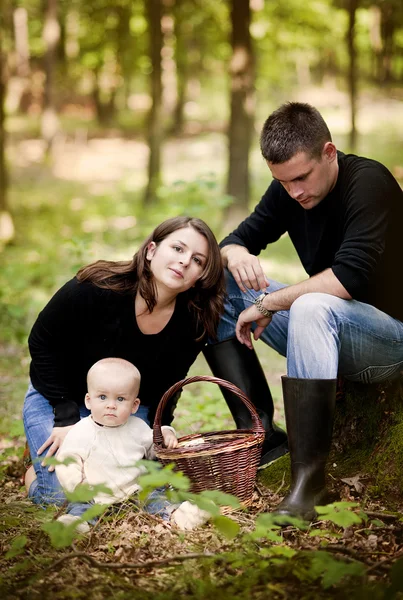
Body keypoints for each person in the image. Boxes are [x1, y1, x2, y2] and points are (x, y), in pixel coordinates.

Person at [204, 102, 403, 521]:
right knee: (216, 286)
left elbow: (346, 280)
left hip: (390, 339)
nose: (294, 192)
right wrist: (235, 253)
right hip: (332, 323)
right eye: (283, 182)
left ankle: (308, 485)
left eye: (301, 178)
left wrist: (267, 303)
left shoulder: (369, 183)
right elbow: (237, 238)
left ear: (328, 153)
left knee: (313, 304)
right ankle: (261, 436)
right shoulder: (289, 189)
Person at [23, 216, 225, 507]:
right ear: (151, 250)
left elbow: (170, 383)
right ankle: (35, 474)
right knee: (63, 497)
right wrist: (66, 416)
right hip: (58, 397)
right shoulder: (96, 288)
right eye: (177, 249)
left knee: (129, 494)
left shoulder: (193, 322)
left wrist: (156, 436)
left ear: (201, 275)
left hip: (125, 406)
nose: (183, 262)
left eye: (197, 260)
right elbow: (42, 341)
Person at [55, 357, 209, 533]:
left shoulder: (137, 427)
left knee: (155, 499)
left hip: (135, 492)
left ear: (134, 405)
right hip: (95, 494)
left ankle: (179, 515)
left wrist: (166, 433)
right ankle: (76, 524)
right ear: (89, 401)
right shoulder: (80, 431)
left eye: (120, 399)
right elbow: (67, 460)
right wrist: (77, 484)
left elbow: (155, 449)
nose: (111, 405)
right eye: (103, 397)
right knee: (81, 507)